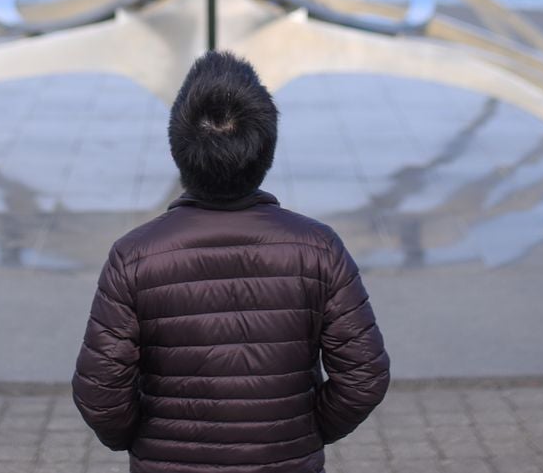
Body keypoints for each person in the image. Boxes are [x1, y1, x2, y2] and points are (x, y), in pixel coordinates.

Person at [72, 50, 390, 471]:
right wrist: (303, 431)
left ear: (178, 149)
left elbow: (100, 394)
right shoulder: (318, 248)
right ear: (266, 149)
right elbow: (363, 379)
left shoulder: (134, 256)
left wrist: (144, 439)